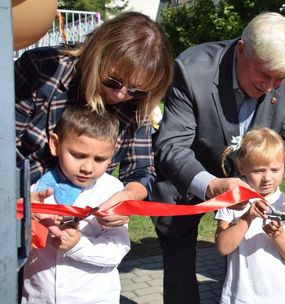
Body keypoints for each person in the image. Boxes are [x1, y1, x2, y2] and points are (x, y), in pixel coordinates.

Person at [151, 12, 285, 304]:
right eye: (264, 75)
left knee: (246, 263)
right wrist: (211, 185)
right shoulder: (192, 69)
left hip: (253, 184)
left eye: (278, 79)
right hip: (187, 185)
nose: (270, 87)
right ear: (241, 50)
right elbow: (171, 146)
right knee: (179, 276)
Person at [15, 11, 174, 229]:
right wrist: (20, 199)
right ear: (96, 55)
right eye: (113, 82)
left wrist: (128, 197)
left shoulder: (137, 104)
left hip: (74, 228)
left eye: (136, 91)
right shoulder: (43, 70)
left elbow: (141, 170)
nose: (121, 96)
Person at [22, 105, 131, 304]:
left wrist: (77, 245)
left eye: (100, 159)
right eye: (78, 155)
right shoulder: (35, 187)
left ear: (112, 153)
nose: (87, 168)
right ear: (55, 144)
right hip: (38, 298)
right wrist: (23, 217)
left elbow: (117, 249)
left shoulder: (112, 191)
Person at [215, 128, 285, 303]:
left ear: (284, 167)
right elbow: (223, 247)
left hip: (283, 297)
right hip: (240, 297)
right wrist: (246, 218)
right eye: (258, 171)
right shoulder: (233, 202)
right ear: (242, 167)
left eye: (274, 170)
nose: (267, 178)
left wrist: (279, 235)